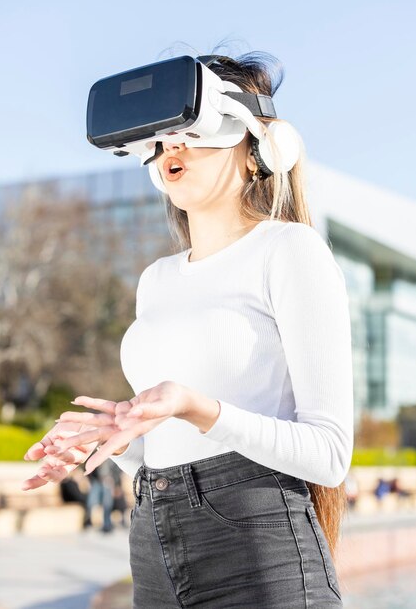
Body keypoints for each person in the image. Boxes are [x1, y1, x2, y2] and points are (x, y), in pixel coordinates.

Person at [21, 49, 353, 607]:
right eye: (164, 133)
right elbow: (162, 447)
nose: (173, 144)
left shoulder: (289, 250)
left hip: (256, 544)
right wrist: (110, 441)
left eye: (194, 127)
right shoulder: (156, 280)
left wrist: (199, 408)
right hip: (153, 535)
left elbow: (329, 452)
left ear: (259, 150)